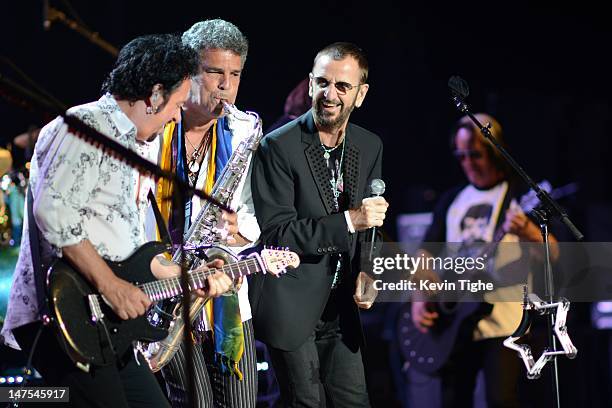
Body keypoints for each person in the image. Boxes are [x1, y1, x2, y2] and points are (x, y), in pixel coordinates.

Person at [0, 34, 230, 408]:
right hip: (66, 316)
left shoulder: (141, 144)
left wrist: (184, 276)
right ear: (155, 95)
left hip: (107, 322)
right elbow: (54, 214)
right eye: (175, 104)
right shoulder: (85, 126)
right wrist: (113, 288)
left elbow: (128, 246)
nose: (177, 115)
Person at [249, 42, 389, 407]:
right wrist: (349, 220)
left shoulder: (369, 145)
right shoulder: (276, 147)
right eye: (323, 83)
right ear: (310, 84)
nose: (330, 94)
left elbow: (371, 224)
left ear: (361, 94)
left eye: (342, 86)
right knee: (306, 402)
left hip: (340, 308)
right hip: (290, 304)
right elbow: (277, 234)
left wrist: (369, 272)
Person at [144, 19, 260, 408]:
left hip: (224, 291)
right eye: (214, 73)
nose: (226, 85)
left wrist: (239, 227)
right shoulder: (153, 128)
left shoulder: (245, 131)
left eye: (235, 74)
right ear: (188, 73)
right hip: (165, 296)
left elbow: (258, 217)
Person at [408, 113, 559, 408]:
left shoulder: (519, 194)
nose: (468, 163)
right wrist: (418, 298)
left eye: (475, 154)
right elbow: (424, 255)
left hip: (504, 322)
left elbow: (554, 253)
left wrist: (528, 230)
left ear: (493, 149)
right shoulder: (452, 200)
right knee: (453, 400)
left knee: (501, 399)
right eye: (460, 155)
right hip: (454, 323)